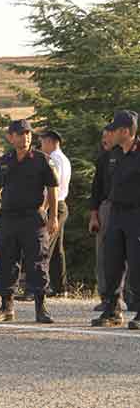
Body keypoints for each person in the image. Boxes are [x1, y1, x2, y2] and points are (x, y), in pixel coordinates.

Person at [0, 119, 59, 324]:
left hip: (33, 219)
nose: (25, 137)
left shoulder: (42, 160)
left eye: (28, 133)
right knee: (6, 260)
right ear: (11, 137)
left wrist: (52, 217)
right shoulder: (5, 160)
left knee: (37, 262)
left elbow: (53, 189)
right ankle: (6, 307)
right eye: (20, 134)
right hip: (8, 219)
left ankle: (41, 307)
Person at [91, 111, 140, 329]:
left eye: (115, 129)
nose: (111, 133)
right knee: (112, 261)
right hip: (116, 214)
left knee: (137, 264)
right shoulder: (115, 154)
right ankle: (112, 310)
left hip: (136, 214)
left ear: (126, 131)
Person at [89, 127, 118, 311]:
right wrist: (94, 215)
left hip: (130, 209)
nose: (104, 140)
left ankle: (129, 298)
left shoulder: (132, 156)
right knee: (103, 255)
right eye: (103, 137)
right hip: (106, 208)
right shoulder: (103, 159)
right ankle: (106, 296)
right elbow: (96, 189)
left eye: (108, 136)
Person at [40, 130, 71, 297]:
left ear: (50, 142)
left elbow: (52, 187)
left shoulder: (53, 159)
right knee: (57, 249)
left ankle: (39, 287)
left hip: (54, 205)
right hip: (61, 205)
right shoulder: (64, 159)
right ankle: (60, 287)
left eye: (43, 141)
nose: (41, 145)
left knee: (45, 246)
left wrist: (44, 208)